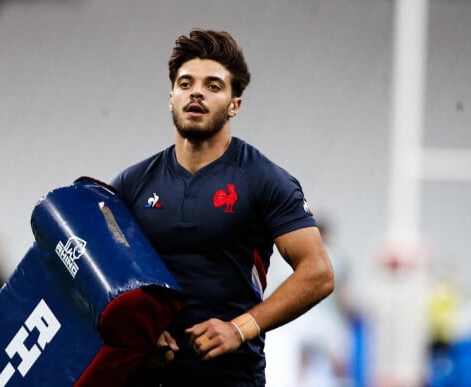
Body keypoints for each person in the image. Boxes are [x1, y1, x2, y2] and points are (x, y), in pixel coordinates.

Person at [110, 29, 334, 387]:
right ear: (171, 98)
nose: (196, 92)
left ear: (235, 104)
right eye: (186, 84)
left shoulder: (264, 179)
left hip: (231, 379)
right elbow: (99, 272)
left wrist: (239, 328)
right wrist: (138, 333)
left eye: (213, 86)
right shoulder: (132, 184)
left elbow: (319, 272)